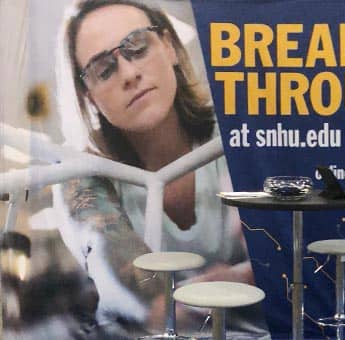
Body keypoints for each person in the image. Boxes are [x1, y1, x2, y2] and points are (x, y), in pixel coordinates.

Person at [61, 0, 264, 337]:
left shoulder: (239, 133)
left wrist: (243, 277)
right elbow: (153, 309)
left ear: (169, 45)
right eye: (104, 69)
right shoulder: (80, 173)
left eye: (137, 47)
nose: (129, 74)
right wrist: (242, 281)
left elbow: (298, 258)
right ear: (89, 96)